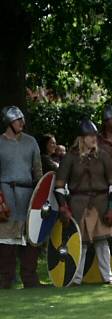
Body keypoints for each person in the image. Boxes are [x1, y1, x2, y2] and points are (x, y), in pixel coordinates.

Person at [54, 119, 112, 285]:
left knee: (102, 242)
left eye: (94, 136)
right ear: (81, 138)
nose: (93, 139)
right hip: (78, 203)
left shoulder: (103, 155)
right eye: (89, 136)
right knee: (80, 244)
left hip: (101, 202)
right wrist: (63, 206)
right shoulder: (70, 157)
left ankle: (108, 278)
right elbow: (59, 186)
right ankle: (75, 279)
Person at [0, 106, 43, 288]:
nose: (22, 123)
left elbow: (38, 171)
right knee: (6, 239)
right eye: (18, 120)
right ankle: (5, 279)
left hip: (28, 195)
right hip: (6, 193)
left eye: (22, 120)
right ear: (9, 122)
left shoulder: (31, 142)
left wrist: (41, 194)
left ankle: (30, 278)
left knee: (30, 237)